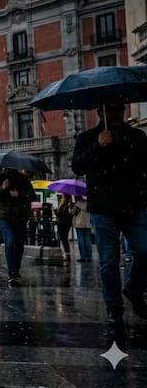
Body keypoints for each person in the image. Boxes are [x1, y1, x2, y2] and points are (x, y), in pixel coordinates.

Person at [72, 94, 147, 324]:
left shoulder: (136, 135)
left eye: (118, 109)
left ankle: (133, 289)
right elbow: (77, 167)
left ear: (124, 110)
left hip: (135, 205)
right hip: (104, 208)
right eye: (109, 109)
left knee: (144, 251)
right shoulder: (88, 138)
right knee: (108, 260)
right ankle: (114, 307)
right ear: (100, 112)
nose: (115, 113)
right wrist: (98, 146)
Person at [0, 167, 37, 286]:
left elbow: (32, 196)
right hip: (5, 216)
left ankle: (16, 269)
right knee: (10, 241)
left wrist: (19, 195)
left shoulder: (24, 179)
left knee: (19, 243)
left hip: (21, 216)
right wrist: (2, 188)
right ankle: (12, 272)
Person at [70, 196, 93, 263]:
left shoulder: (78, 203)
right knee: (88, 240)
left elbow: (72, 212)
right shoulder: (88, 203)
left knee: (81, 240)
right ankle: (89, 257)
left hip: (79, 224)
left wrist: (71, 206)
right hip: (88, 224)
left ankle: (83, 257)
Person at [55, 195, 74, 261]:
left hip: (62, 223)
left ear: (65, 198)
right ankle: (67, 254)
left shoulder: (64, 205)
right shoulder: (70, 205)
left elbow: (59, 213)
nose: (62, 198)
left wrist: (55, 210)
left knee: (63, 239)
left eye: (63, 197)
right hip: (68, 223)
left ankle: (65, 254)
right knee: (64, 239)